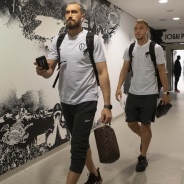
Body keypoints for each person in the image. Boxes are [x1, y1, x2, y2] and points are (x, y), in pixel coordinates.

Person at [35, 2, 112, 184]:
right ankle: (95, 175)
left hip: (87, 99)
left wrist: (107, 105)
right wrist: (42, 70)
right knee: (81, 142)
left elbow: (102, 73)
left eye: (74, 12)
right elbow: (49, 71)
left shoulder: (92, 40)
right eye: (67, 12)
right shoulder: (58, 40)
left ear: (82, 17)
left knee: (76, 149)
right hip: (66, 101)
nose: (70, 15)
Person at [115, 19, 171, 172]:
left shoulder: (156, 48)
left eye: (141, 28)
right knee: (131, 123)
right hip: (133, 92)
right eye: (135, 28)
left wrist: (166, 92)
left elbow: (161, 71)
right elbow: (124, 68)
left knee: (146, 125)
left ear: (146, 30)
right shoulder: (130, 48)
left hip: (150, 94)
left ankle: (143, 157)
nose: (138, 30)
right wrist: (119, 86)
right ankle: (145, 138)